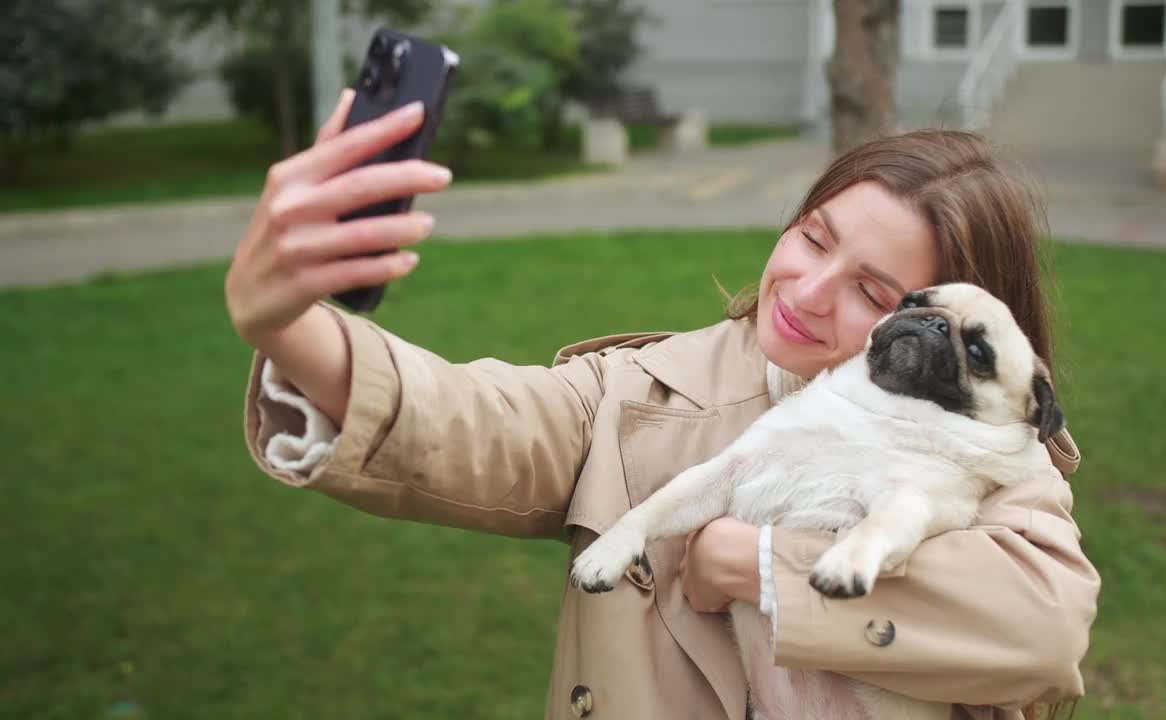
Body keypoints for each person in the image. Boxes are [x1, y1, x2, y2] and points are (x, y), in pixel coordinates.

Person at [226, 89, 1100, 720]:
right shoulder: (639, 393)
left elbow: (1045, 628)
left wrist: (757, 566)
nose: (807, 287)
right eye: (812, 237)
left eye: (873, 290)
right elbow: (472, 420)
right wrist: (289, 322)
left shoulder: (989, 457)